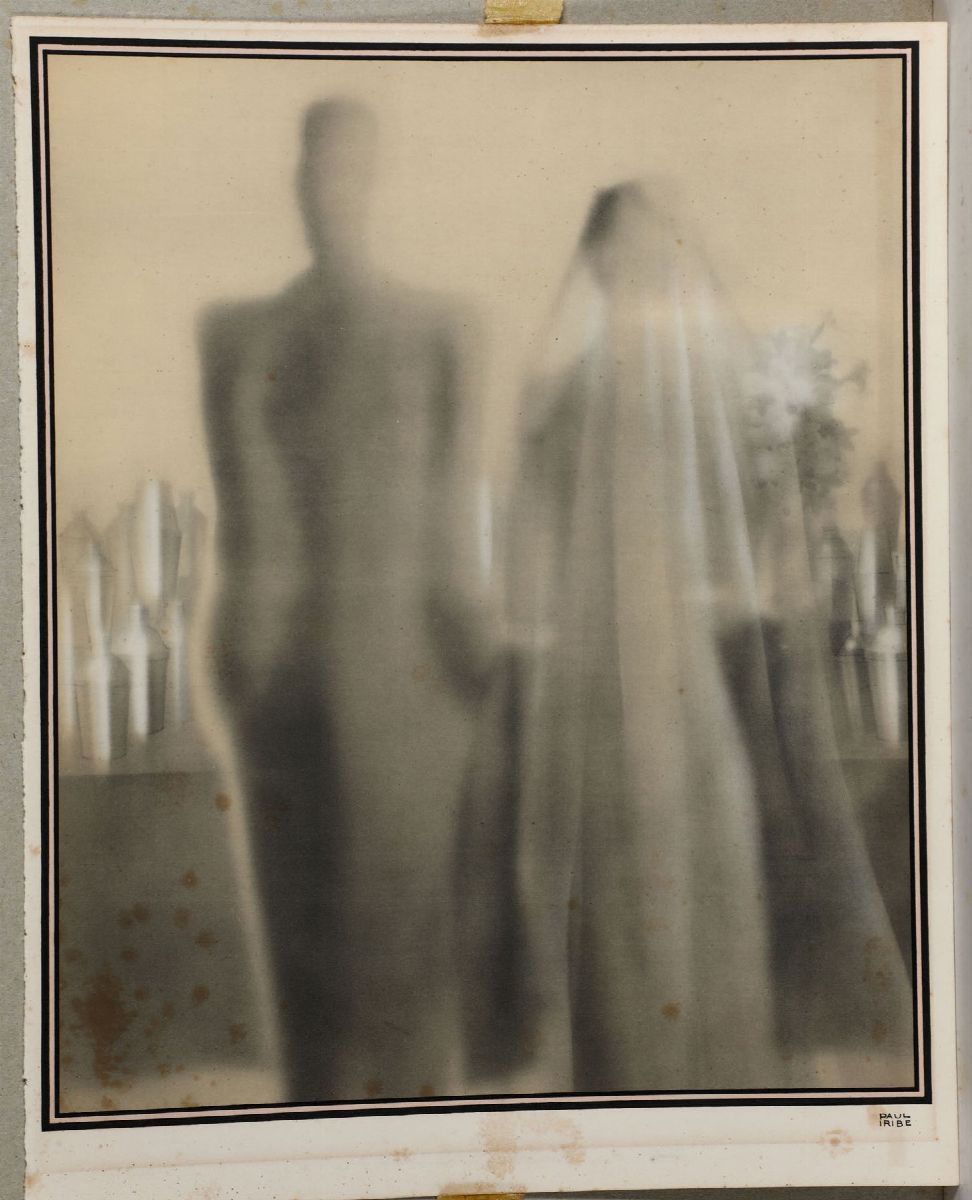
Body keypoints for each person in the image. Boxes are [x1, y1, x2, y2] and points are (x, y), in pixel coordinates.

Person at [457, 179, 914, 1093]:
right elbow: (532, 583)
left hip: (702, 691)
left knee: (723, 877)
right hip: (596, 706)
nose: (646, 280)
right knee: (614, 905)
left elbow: (773, 562)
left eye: (659, 258)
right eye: (626, 262)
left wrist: (766, 568)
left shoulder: (736, 392)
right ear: (598, 270)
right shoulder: (562, 401)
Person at [199, 99, 490, 1102]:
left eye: (351, 171)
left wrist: (487, 662)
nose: (332, 194)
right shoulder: (242, 335)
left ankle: (420, 1132)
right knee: (312, 980)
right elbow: (248, 514)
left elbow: (453, 522)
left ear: (375, 184)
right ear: (296, 184)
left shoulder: (441, 330)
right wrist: (244, 660)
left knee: (410, 972)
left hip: (417, 681)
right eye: (317, 171)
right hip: (289, 677)